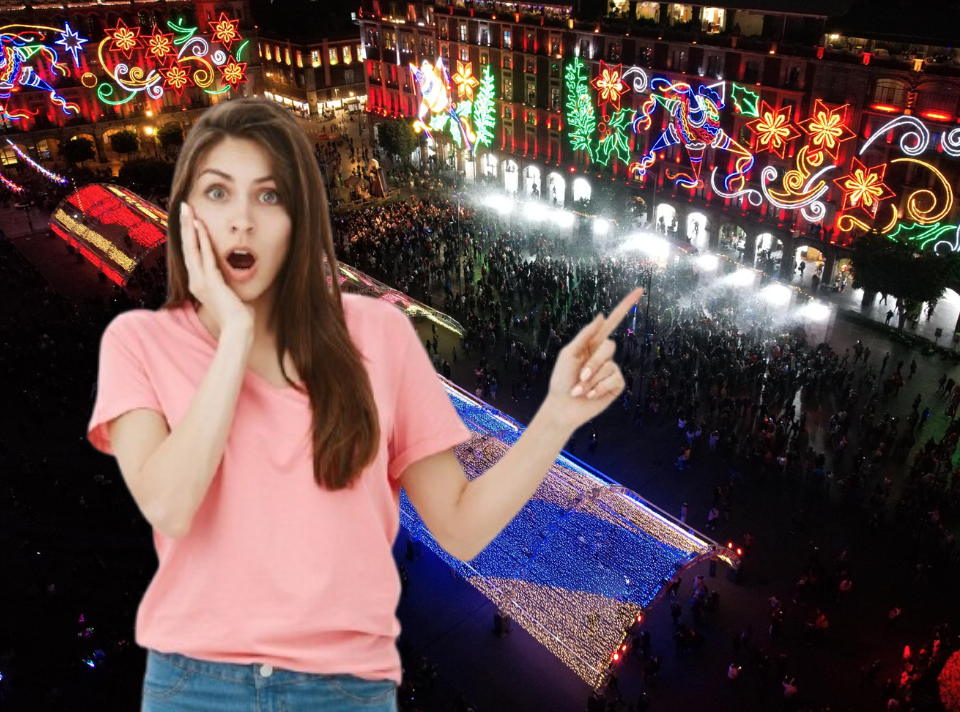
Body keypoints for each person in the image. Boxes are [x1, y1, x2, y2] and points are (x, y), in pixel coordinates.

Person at [87, 97, 646, 709]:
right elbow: (168, 503)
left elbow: (458, 525)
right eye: (219, 192)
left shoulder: (377, 334)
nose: (243, 219)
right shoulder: (140, 344)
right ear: (186, 215)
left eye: (269, 194)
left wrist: (557, 417)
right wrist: (234, 340)